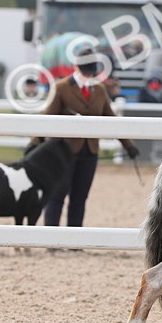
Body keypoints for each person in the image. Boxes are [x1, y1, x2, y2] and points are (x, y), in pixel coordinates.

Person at [37, 45, 140, 228]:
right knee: (57, 195)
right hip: (63, 152)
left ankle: (74, 238)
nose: (88, 75)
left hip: (89, 152)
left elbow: (111, 119)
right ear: (75, 67)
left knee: (79, 198)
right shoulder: (61, 88)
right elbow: (47, 119)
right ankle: (51, 236)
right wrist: (35, 144)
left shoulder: (99, 90)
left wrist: (128, 145)